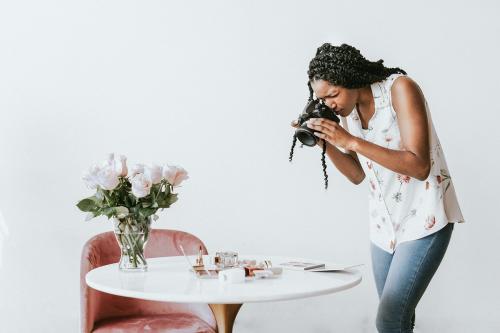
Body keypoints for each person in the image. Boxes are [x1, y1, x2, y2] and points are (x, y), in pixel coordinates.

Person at [291, 43, 465, 333]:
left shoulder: (400, 89)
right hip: (384, 225)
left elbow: (419, 165)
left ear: (351, 77)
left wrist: (351, 141)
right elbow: (358, 174)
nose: (330, 104)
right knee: (398, 319)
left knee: (389, 319)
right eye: (322, 98)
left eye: (333, 94)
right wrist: (328, 143)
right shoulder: (350, 111)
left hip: (425, 218)